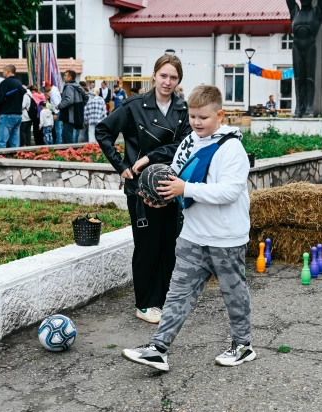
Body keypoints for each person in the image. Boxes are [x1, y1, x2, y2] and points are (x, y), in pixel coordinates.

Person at [121, 85, 255, 372]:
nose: (196, 122)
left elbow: (229, 191)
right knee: (178, 293)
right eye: (192, 116)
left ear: (219, 115)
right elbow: (177, 176)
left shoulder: (231, 148)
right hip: (193, 235)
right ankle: (158, 348)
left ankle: (243, 345)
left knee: (234, 294)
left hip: (226, 238)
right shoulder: (190, 142)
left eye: (203, 118)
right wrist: (164, 196)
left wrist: (186, 188)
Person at [96, 54, 192, 324]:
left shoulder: (183, 109)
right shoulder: (133, 106)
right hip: (140, 189)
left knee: (169, 244)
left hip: (171, 185)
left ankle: (164, 300)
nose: (168, 81)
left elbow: (185, 145)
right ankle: (145, 303)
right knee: (147, 245)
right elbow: (103, 131)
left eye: (173, 77)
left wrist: (151, 156)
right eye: (164, 75)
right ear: (154, 75)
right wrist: (121, 165)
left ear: (178, 80)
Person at [0, 65, 25, 148]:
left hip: (7, 113)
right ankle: (15, 158)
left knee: (1, 140)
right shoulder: (19, 84)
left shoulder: (5, 83)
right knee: (15, 142)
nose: (2, 73)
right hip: (18, 114)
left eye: (3, 71)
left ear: (8, 71)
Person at [57, 70, 89, 144]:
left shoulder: (69, 86)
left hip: (68, 115)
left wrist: (59, 106)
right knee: (65, 135)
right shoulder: (77, 85)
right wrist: (79, 106)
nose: (64, 77)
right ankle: (66, 153)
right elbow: (86, 96)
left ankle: (71, 153)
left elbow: (69, 100)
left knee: (68, 136)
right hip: (73, 114)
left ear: (70, 77)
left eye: (65, 75)